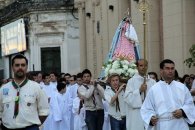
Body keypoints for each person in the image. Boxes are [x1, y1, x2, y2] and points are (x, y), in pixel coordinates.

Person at [140, 59, 195, 130]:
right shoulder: (154, 89)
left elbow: (189, 103)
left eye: (172, 68)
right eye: (167, 68)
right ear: (161, 71)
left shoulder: (182, 87)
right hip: (163, 125)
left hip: (180, 124)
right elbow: (146, 108)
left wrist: (183, 111)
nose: (170, 71)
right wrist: (151, 118)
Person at [0, 54, 49, 130]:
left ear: (26, 67)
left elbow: (44, 110)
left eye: (23, 65)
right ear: (12, 67)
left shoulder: (36, 87)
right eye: (17, 65)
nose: (20, 68)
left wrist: (34, 126)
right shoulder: (3, 89)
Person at [124, 59, 156, 130]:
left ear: (147, 67)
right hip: (136, 115)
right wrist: (139, 91)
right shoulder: (131, 81)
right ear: (137, 67)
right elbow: (127, 98)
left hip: (149, 114)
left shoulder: (152, 82)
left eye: (145, 65)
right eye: (141, 65)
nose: (143, 67)